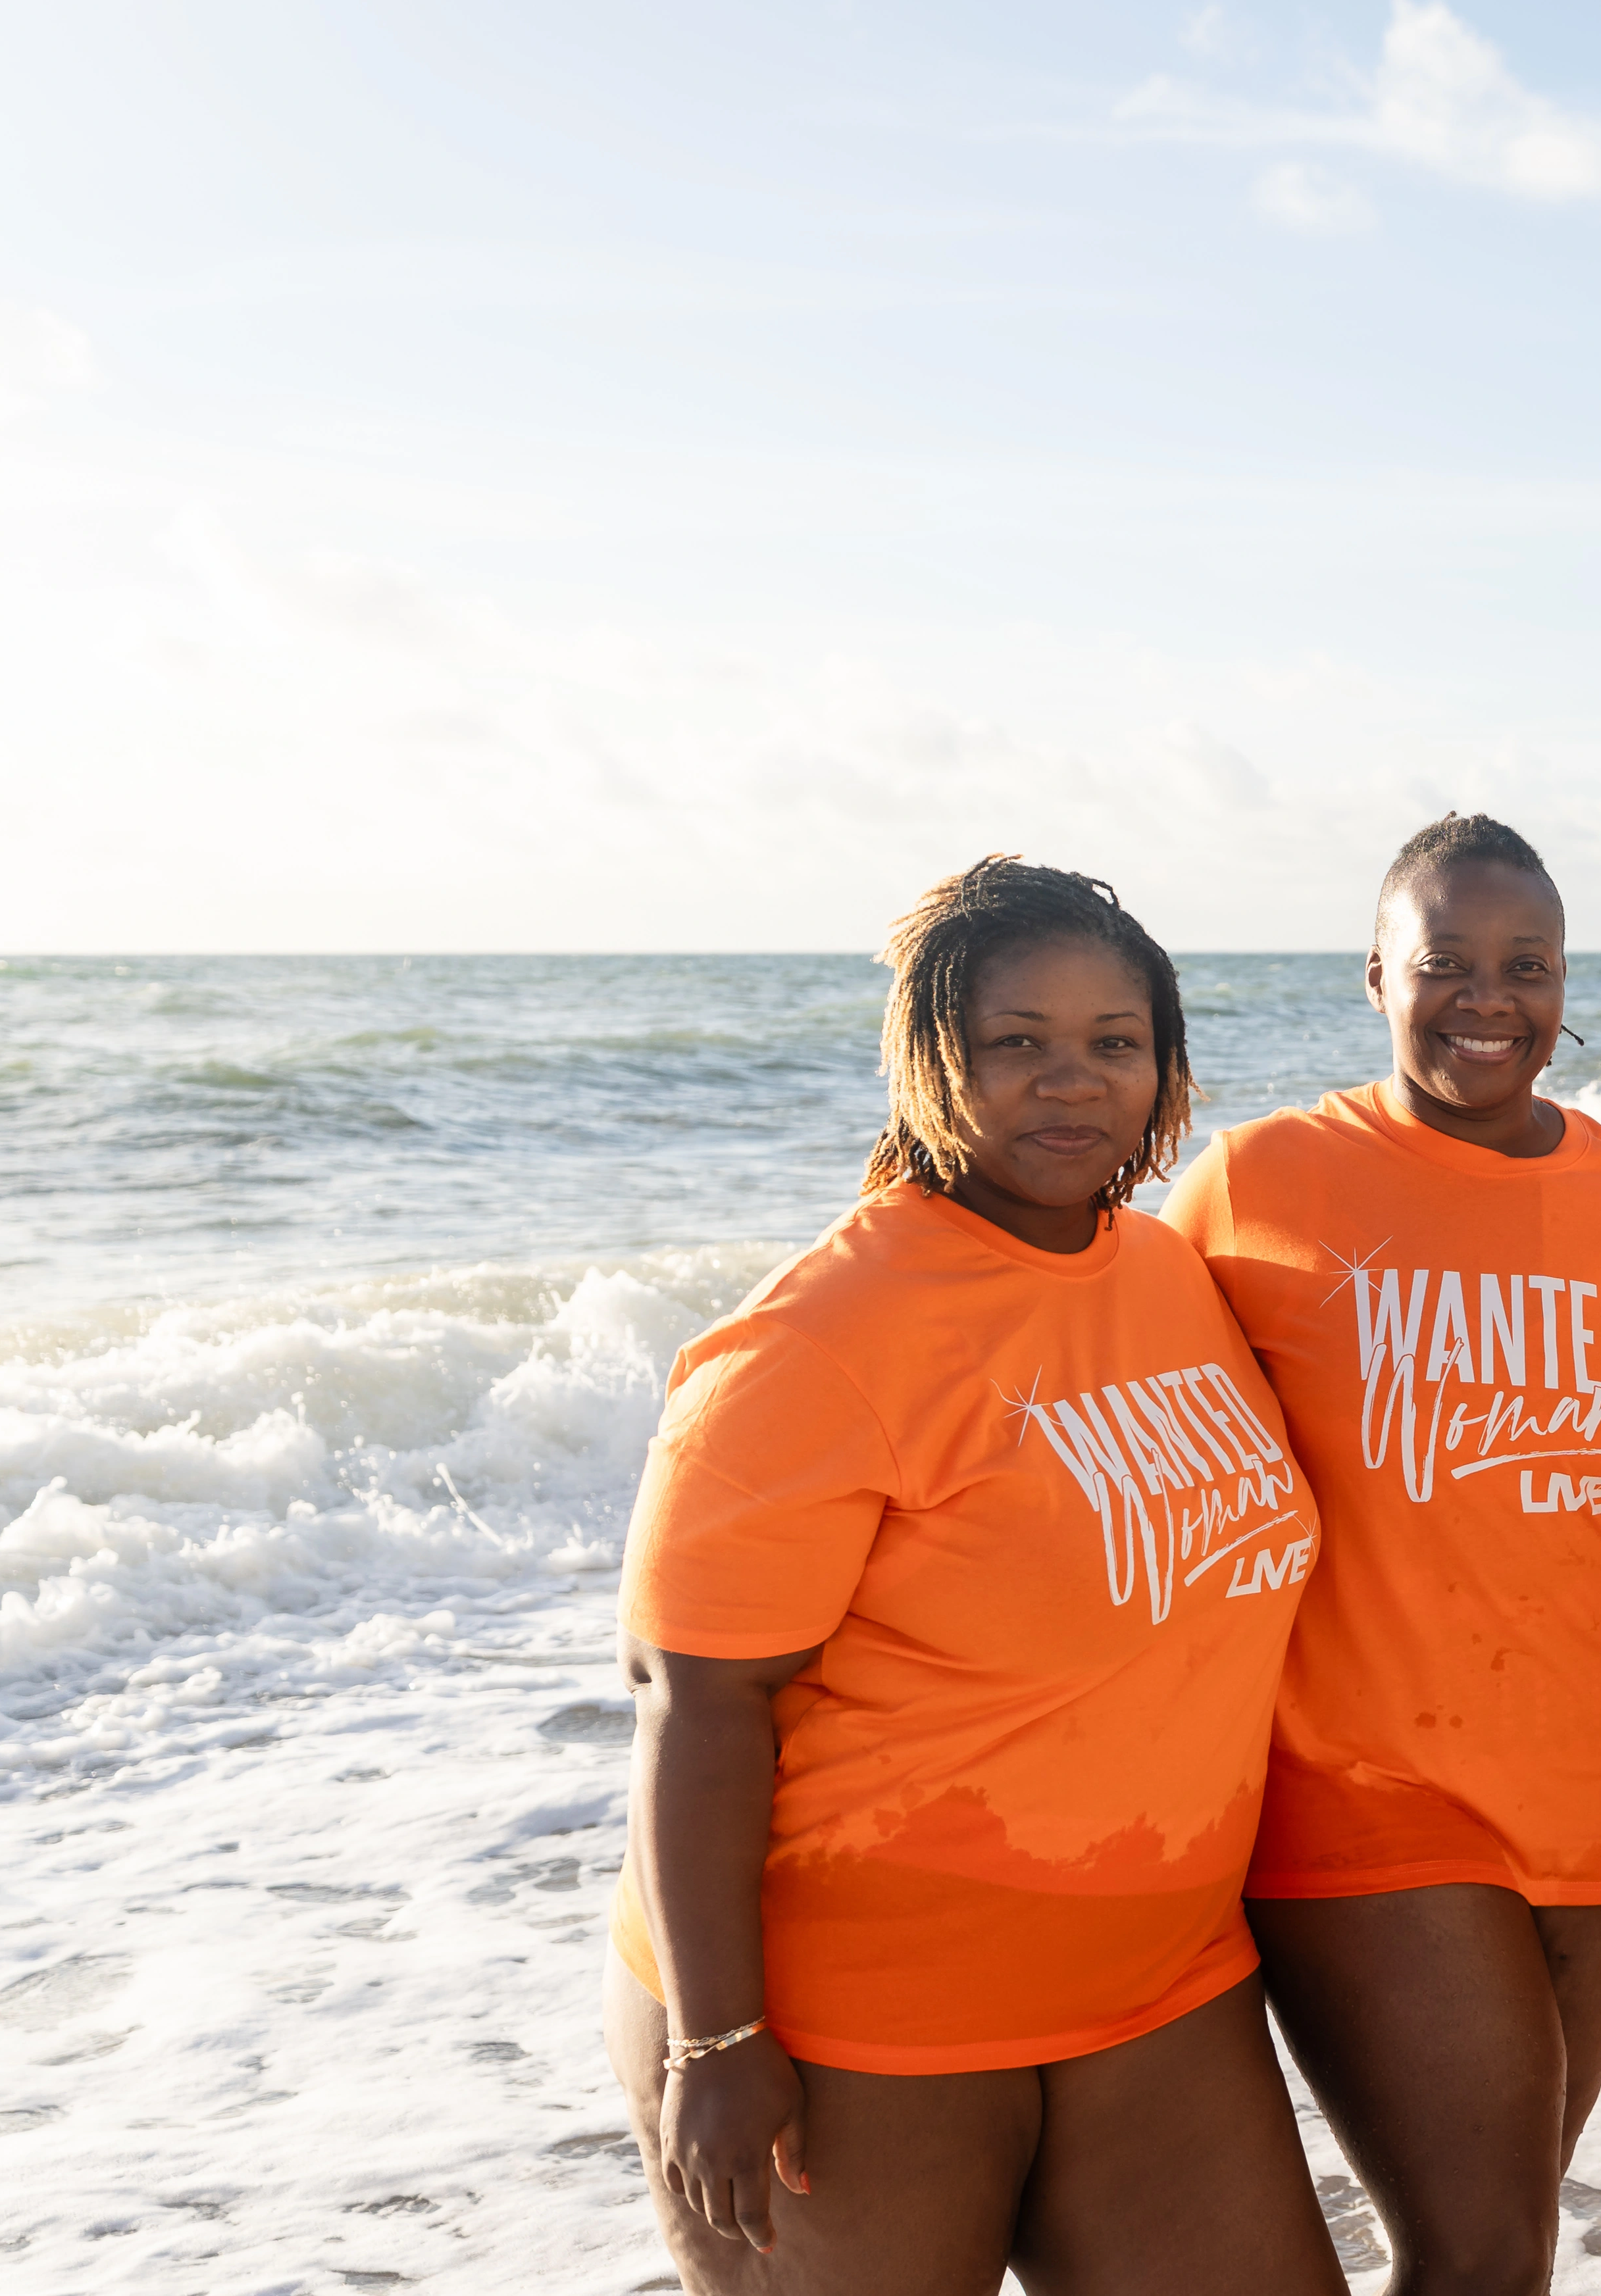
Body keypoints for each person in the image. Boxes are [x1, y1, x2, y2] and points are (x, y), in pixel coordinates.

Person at [602, 858, 1339, 2296]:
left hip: (1157, 1989)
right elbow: (693, 1707)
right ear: (932, 1057)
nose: (1071, 1083)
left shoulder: (1163, 1273)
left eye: (1112, 1044)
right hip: (852, 2020)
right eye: (1016, 1043)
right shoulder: (818, 1341)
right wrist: (718, 2042)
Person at [1160, 814, 1601, 2294]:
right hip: (1362, 1788)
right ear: (1373, 977)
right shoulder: (1255, 1186)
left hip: (1599, 1793)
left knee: (1493, 2241)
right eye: (1447, 962)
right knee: (1483, 2251)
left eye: (1524, 964)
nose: (1490, 996)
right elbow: (1113, 1415)